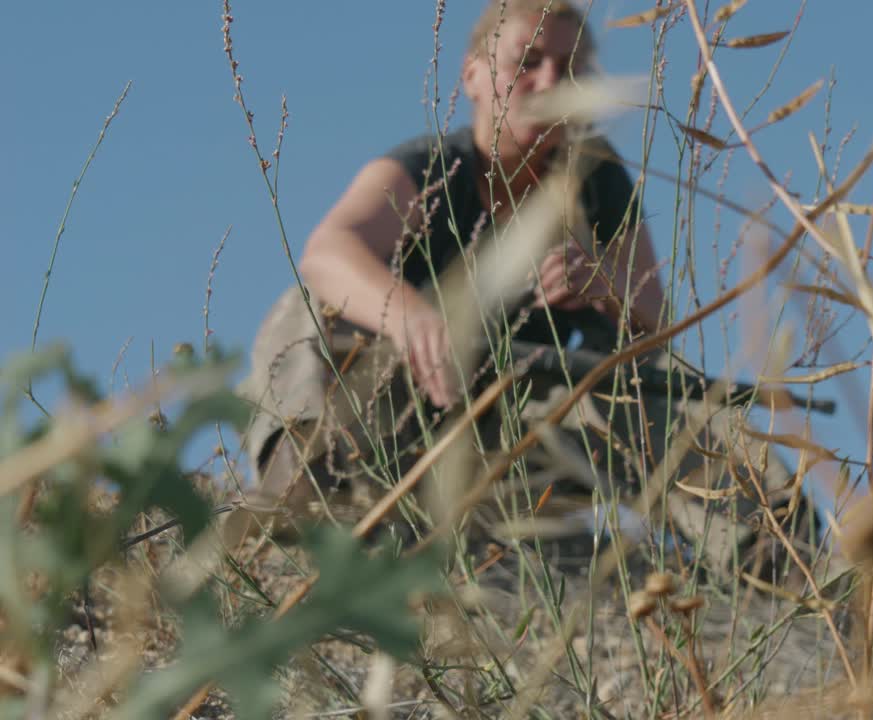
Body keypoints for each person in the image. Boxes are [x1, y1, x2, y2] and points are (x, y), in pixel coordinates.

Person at [229, 0, 813, 580]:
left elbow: (655, 325)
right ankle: (301, 497)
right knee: (310, 311)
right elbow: (328, 251)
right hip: (395, 428)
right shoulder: (427, 168)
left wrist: (606, 285)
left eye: (571, 69)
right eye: (527, 60)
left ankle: (783, 561)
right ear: (473, 75)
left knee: (655, 383)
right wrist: (413, 318)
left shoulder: (597, 180)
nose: (550, 80)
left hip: (516, 455)